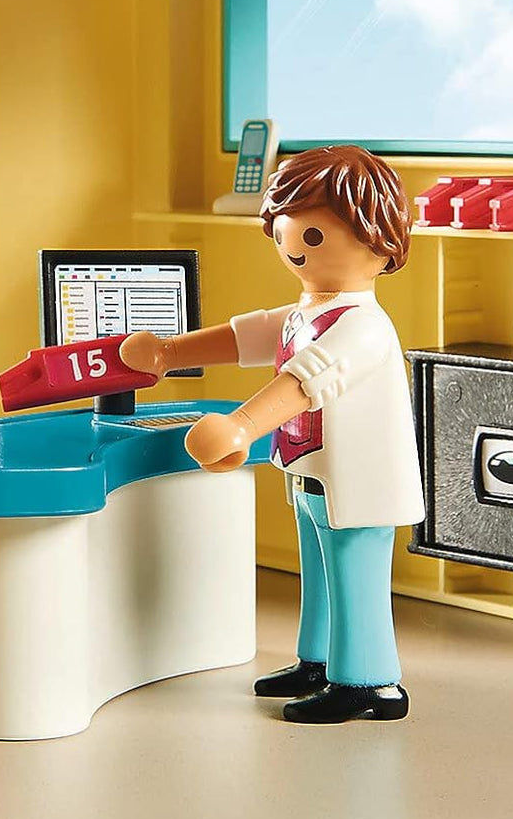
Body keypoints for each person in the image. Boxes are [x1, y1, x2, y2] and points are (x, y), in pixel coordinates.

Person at [120, 145, 424, 723]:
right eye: (284, 233)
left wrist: (242, 425)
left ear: (379, 242)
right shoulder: (306, 313)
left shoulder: (363, 327)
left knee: (354, 577)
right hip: (314, 474)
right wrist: (170, 352)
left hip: (359, 484)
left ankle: (368, 681)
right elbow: (250, 336)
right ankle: (319, 661)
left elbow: (307, 379)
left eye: (312, 236)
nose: (293, 247)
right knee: (320, 573)